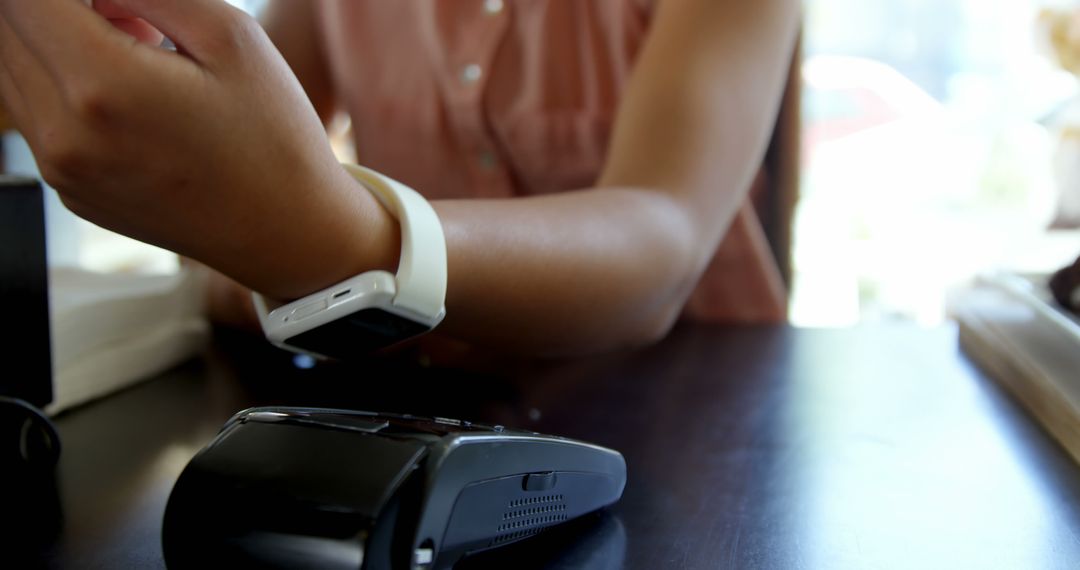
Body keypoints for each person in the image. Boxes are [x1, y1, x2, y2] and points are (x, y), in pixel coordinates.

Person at [0, 0, 799, 358]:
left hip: (691, 414)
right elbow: (226, 182)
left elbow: (661, 237)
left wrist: (345, 249)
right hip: (413, 410)